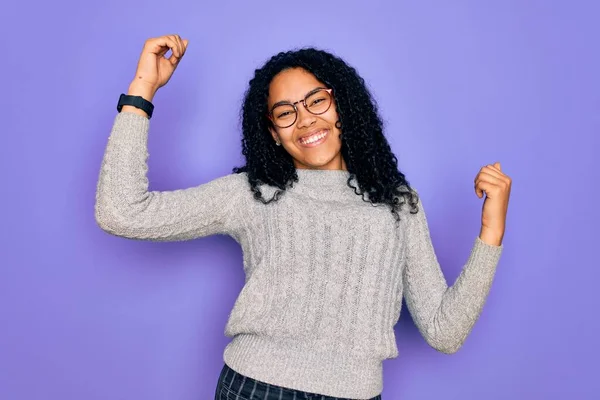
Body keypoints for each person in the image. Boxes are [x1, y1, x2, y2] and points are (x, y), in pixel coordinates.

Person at [95, 34, 512, 400]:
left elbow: (444, 331)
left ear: (341, 106)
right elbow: (121, 213)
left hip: (357, 394)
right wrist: (142, 90)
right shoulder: (254, 192)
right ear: (273, 133)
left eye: (317, 100)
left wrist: (491, 228)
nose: (306, 120)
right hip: (256, 389)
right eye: (285, 112)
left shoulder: (397, 203)